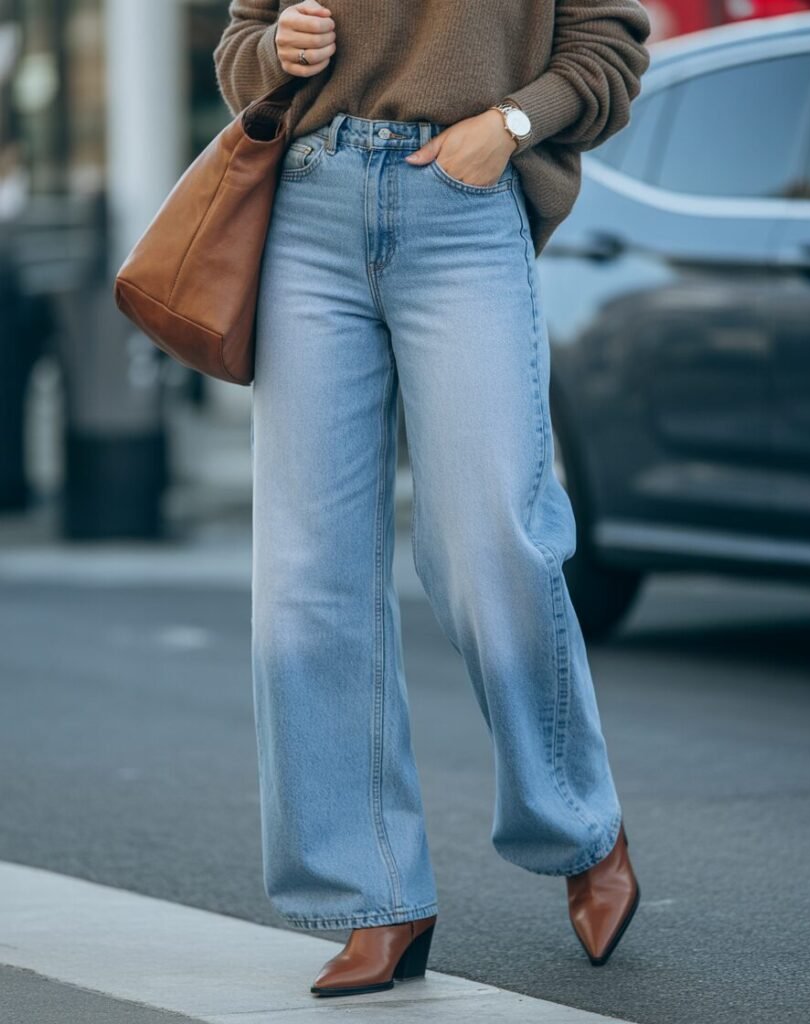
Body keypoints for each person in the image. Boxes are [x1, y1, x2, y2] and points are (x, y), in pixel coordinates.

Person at [214, 0, 651, 998]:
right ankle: (374, 894)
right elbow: (238, 49)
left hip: (464, 206)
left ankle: (582, 823)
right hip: (307, 214)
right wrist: (274, 52)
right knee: (304, 577)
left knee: (487, 541)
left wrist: (509, 127)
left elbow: (610, 49)